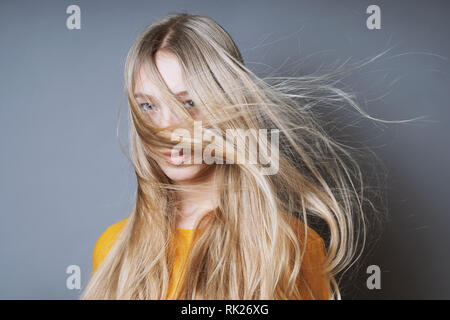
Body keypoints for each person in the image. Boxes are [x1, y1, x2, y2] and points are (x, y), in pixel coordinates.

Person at [82, 12, 375, 300]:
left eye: (189, 102)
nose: (167, 129)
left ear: (229, 104)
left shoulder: (292, 248)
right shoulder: (113, 250)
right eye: (148, 106)